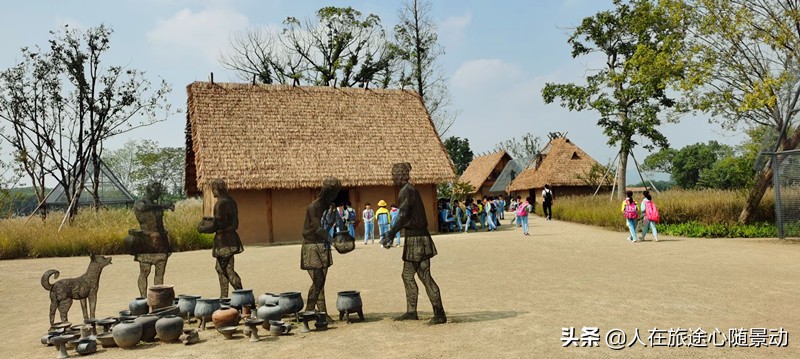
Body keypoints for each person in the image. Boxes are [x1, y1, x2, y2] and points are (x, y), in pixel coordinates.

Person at [384, 162, 447, 324]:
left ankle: (439, 314)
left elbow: (403, 214)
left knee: (424, 276)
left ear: (400, 176)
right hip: (414, 238)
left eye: (394, 175)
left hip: (417, 239)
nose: (392, 178)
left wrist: (391, 233)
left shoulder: (407, 191)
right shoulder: (408, 191)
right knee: (409, 275)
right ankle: (412, 311)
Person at [197, 179, 244, 297]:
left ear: (217, 189)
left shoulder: (220, 204)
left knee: (227, 270)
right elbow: (229, 222)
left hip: (224, 241)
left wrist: (202, 229)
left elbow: (216, 225)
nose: (213, 192)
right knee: (221, 269)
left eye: (213, 189)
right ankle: (225, 297)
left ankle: (242, 296)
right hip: (230, 238)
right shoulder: (231, 201)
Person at [301, 177, 340, 315]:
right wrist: (332, 240)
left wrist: (334, 217)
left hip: (322, 245)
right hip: (311, 245)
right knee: (318, 280)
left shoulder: (329, 207)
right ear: (326, 192)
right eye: (333, 193)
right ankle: (310, 309)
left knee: (321, 282)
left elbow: (332, 225)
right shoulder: (314, 207)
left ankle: (322, 313)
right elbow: (317, 228)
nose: (335, 196)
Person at [132, 182, 175, 297]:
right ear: (150, 191)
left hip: (161, 243)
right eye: (157, 192)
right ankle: (143, 298)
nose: (158, 194)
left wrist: (168, 244)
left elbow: (160, 226)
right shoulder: (140, 202)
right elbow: (143, 208)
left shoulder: (156, 205)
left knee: (160, 274)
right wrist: (163, 206)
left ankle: (157, 298)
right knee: (144, 272)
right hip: (146, 243)